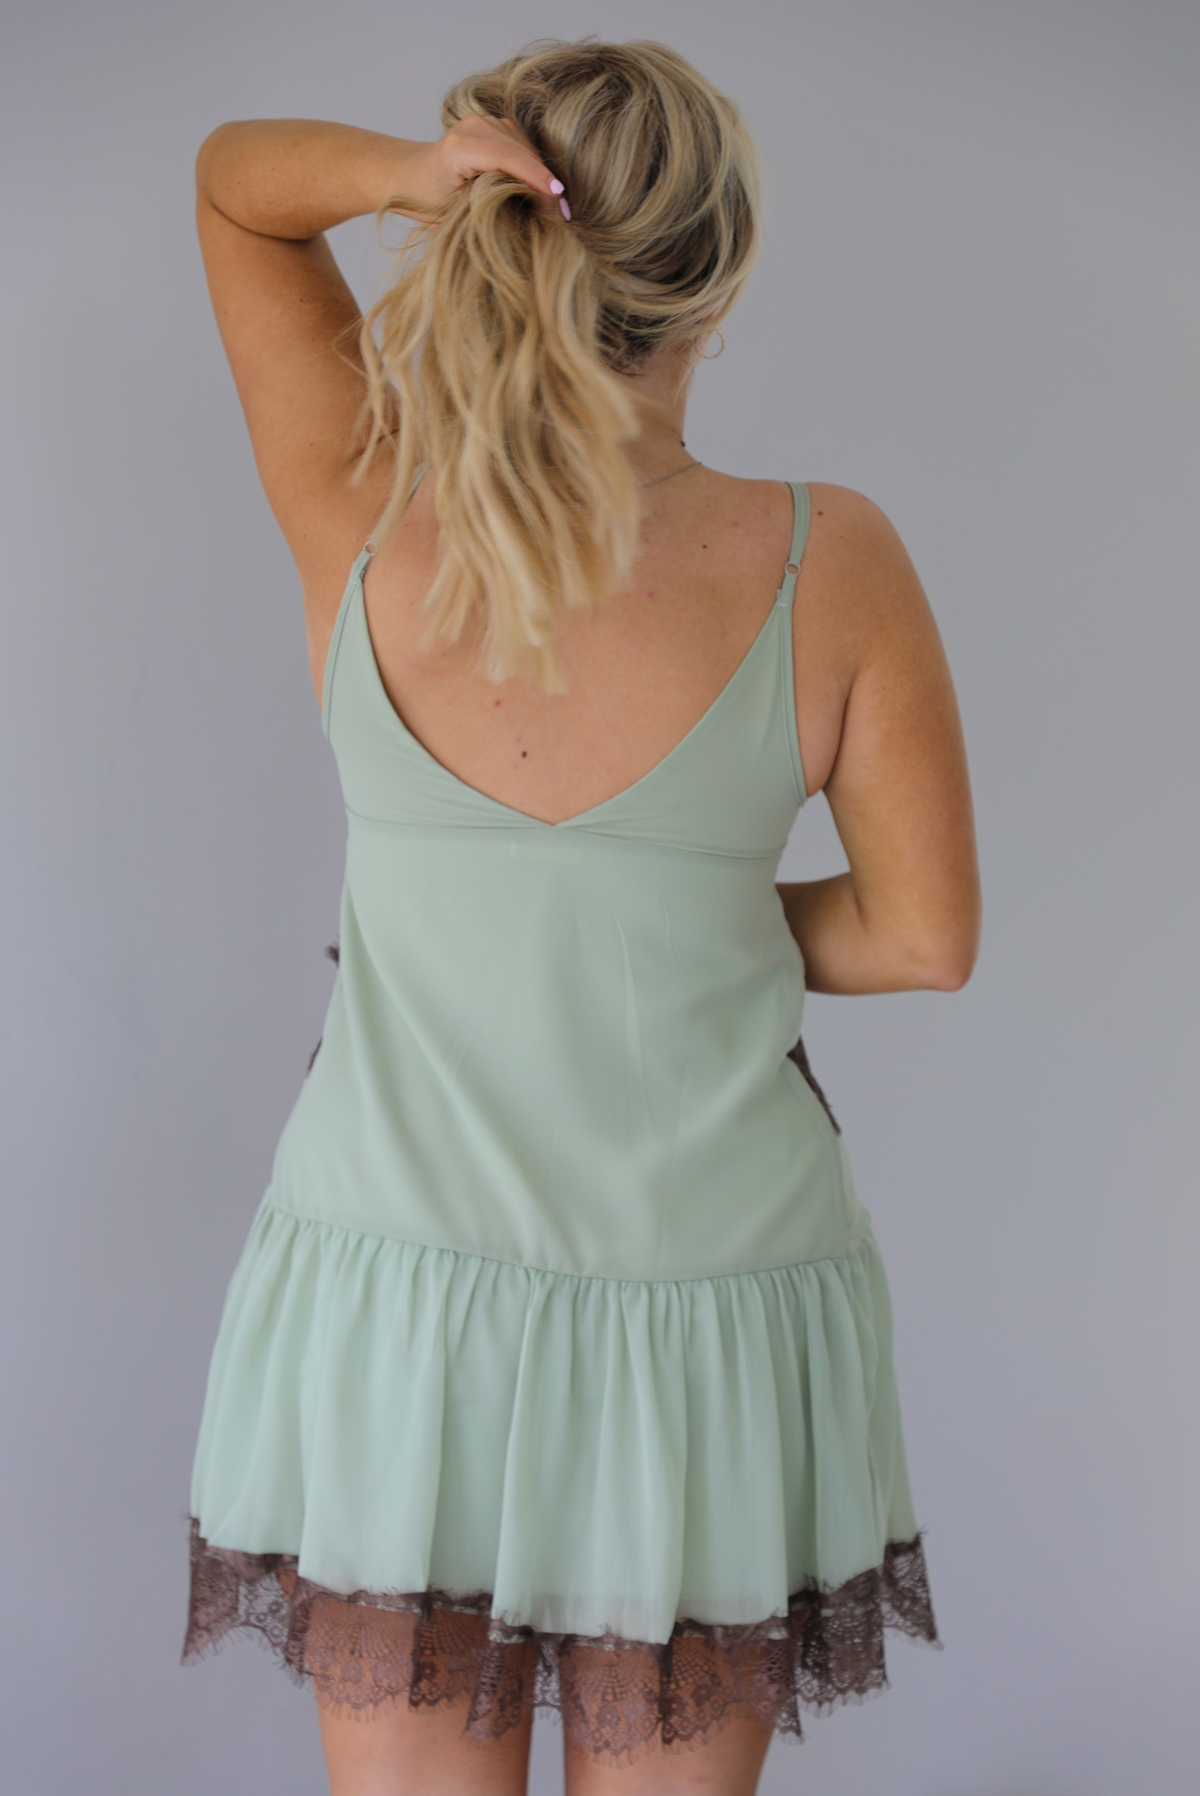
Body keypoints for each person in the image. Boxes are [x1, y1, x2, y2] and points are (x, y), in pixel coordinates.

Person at [180, 37, 981, 1796]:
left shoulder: (363, 506)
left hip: (396, 1301)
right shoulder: (824, 557)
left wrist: (407, 169)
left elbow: (237, 186)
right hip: (714, 1315)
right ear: (719, 271)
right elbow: (924, 937)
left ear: (491, 229)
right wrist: (679, 918)